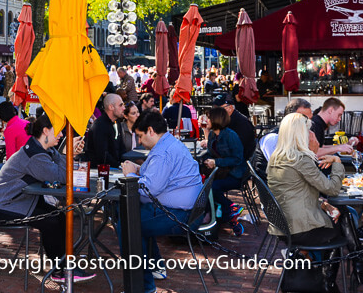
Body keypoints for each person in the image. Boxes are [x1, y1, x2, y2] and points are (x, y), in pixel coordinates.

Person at [0, 114, 93, 283]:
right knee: (50, 222)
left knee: (59, 216)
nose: (61, 135)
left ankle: (65, 266)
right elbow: (62, 176)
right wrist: (66, 154)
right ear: (45, 131)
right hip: (0, 207)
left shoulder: (43, 149)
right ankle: (61, 271)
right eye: (58, 131)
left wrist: (69, 154)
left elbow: (61, 169)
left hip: (18, 201)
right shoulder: (35, 155)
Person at [120, 110, 203, 292]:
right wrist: (139, 169)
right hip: (188, 210)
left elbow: (147, 192)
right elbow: (159, 177)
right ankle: (153, 268)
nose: (140, 141)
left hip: (179, 215)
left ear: (150, 130)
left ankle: (142, 286)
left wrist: (132, 175)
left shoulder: (162, 152)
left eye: (140, 136)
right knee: (129, 217)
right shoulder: (169, 143)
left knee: (127, 224)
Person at [267, 112, 348, 291]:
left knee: (341, 219)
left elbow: (296, 192)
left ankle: (354, 267)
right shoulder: (300, 159)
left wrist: (323, 204)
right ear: (300, 134)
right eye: (308, 131)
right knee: (345, 222)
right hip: (299, 229)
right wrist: (337, 162)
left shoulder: (276, 157)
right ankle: (329, 282)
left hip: (281, 225)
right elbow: (332, 189)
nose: (312, 134)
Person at [200, 106, 247, 236]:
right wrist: (208, 161)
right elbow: (210, 153)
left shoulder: (231, 135)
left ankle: (231, 207)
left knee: (212, 187)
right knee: (203, 184)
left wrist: (216, 162)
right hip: (220, 172)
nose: (206, 120)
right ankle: (227, 217)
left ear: (216, 119)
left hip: (235, 174)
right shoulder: (212, 135)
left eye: (208, 118)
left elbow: (237, 159)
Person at [253, 98, 316, 173]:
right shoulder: (273, 138)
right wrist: (311, 153)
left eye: (310, 119)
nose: (308, 124)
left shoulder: (296, 136)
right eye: (304, 120)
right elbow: (283, 171)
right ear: (290, 119)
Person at [204, 94, 256, 160]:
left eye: (219, 108)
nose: (216, 111)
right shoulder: (226, 120)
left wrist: (209, 142)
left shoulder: (240, 122)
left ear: (230, 108)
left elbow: (233, 150)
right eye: (214, 108)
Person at [84, 94, 125, 167]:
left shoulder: (116, 122)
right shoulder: (99, 126)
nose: (124, 108)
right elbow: (102, 154)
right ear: (111, 107)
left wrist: (125, 163)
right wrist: (119, 165)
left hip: (115, 167)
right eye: (120, 105)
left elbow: (121, 147)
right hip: (100, 169)